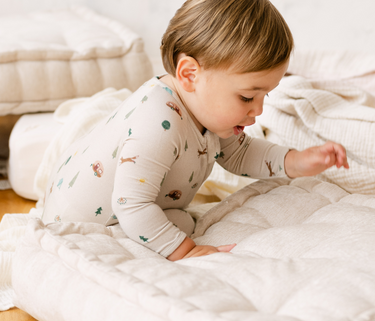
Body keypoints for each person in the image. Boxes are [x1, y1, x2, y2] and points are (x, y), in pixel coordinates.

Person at [42, 0, 349, 261]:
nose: (258, 110)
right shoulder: (158, 125)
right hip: (87, 226)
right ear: (189, 74)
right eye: (246, 97)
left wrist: (296, 161)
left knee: (180, 219)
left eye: (264, 96)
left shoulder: (206, 111)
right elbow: (131, 205)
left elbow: (240, 153)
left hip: (133, 209)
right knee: (178, 228)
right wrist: (187, 252)